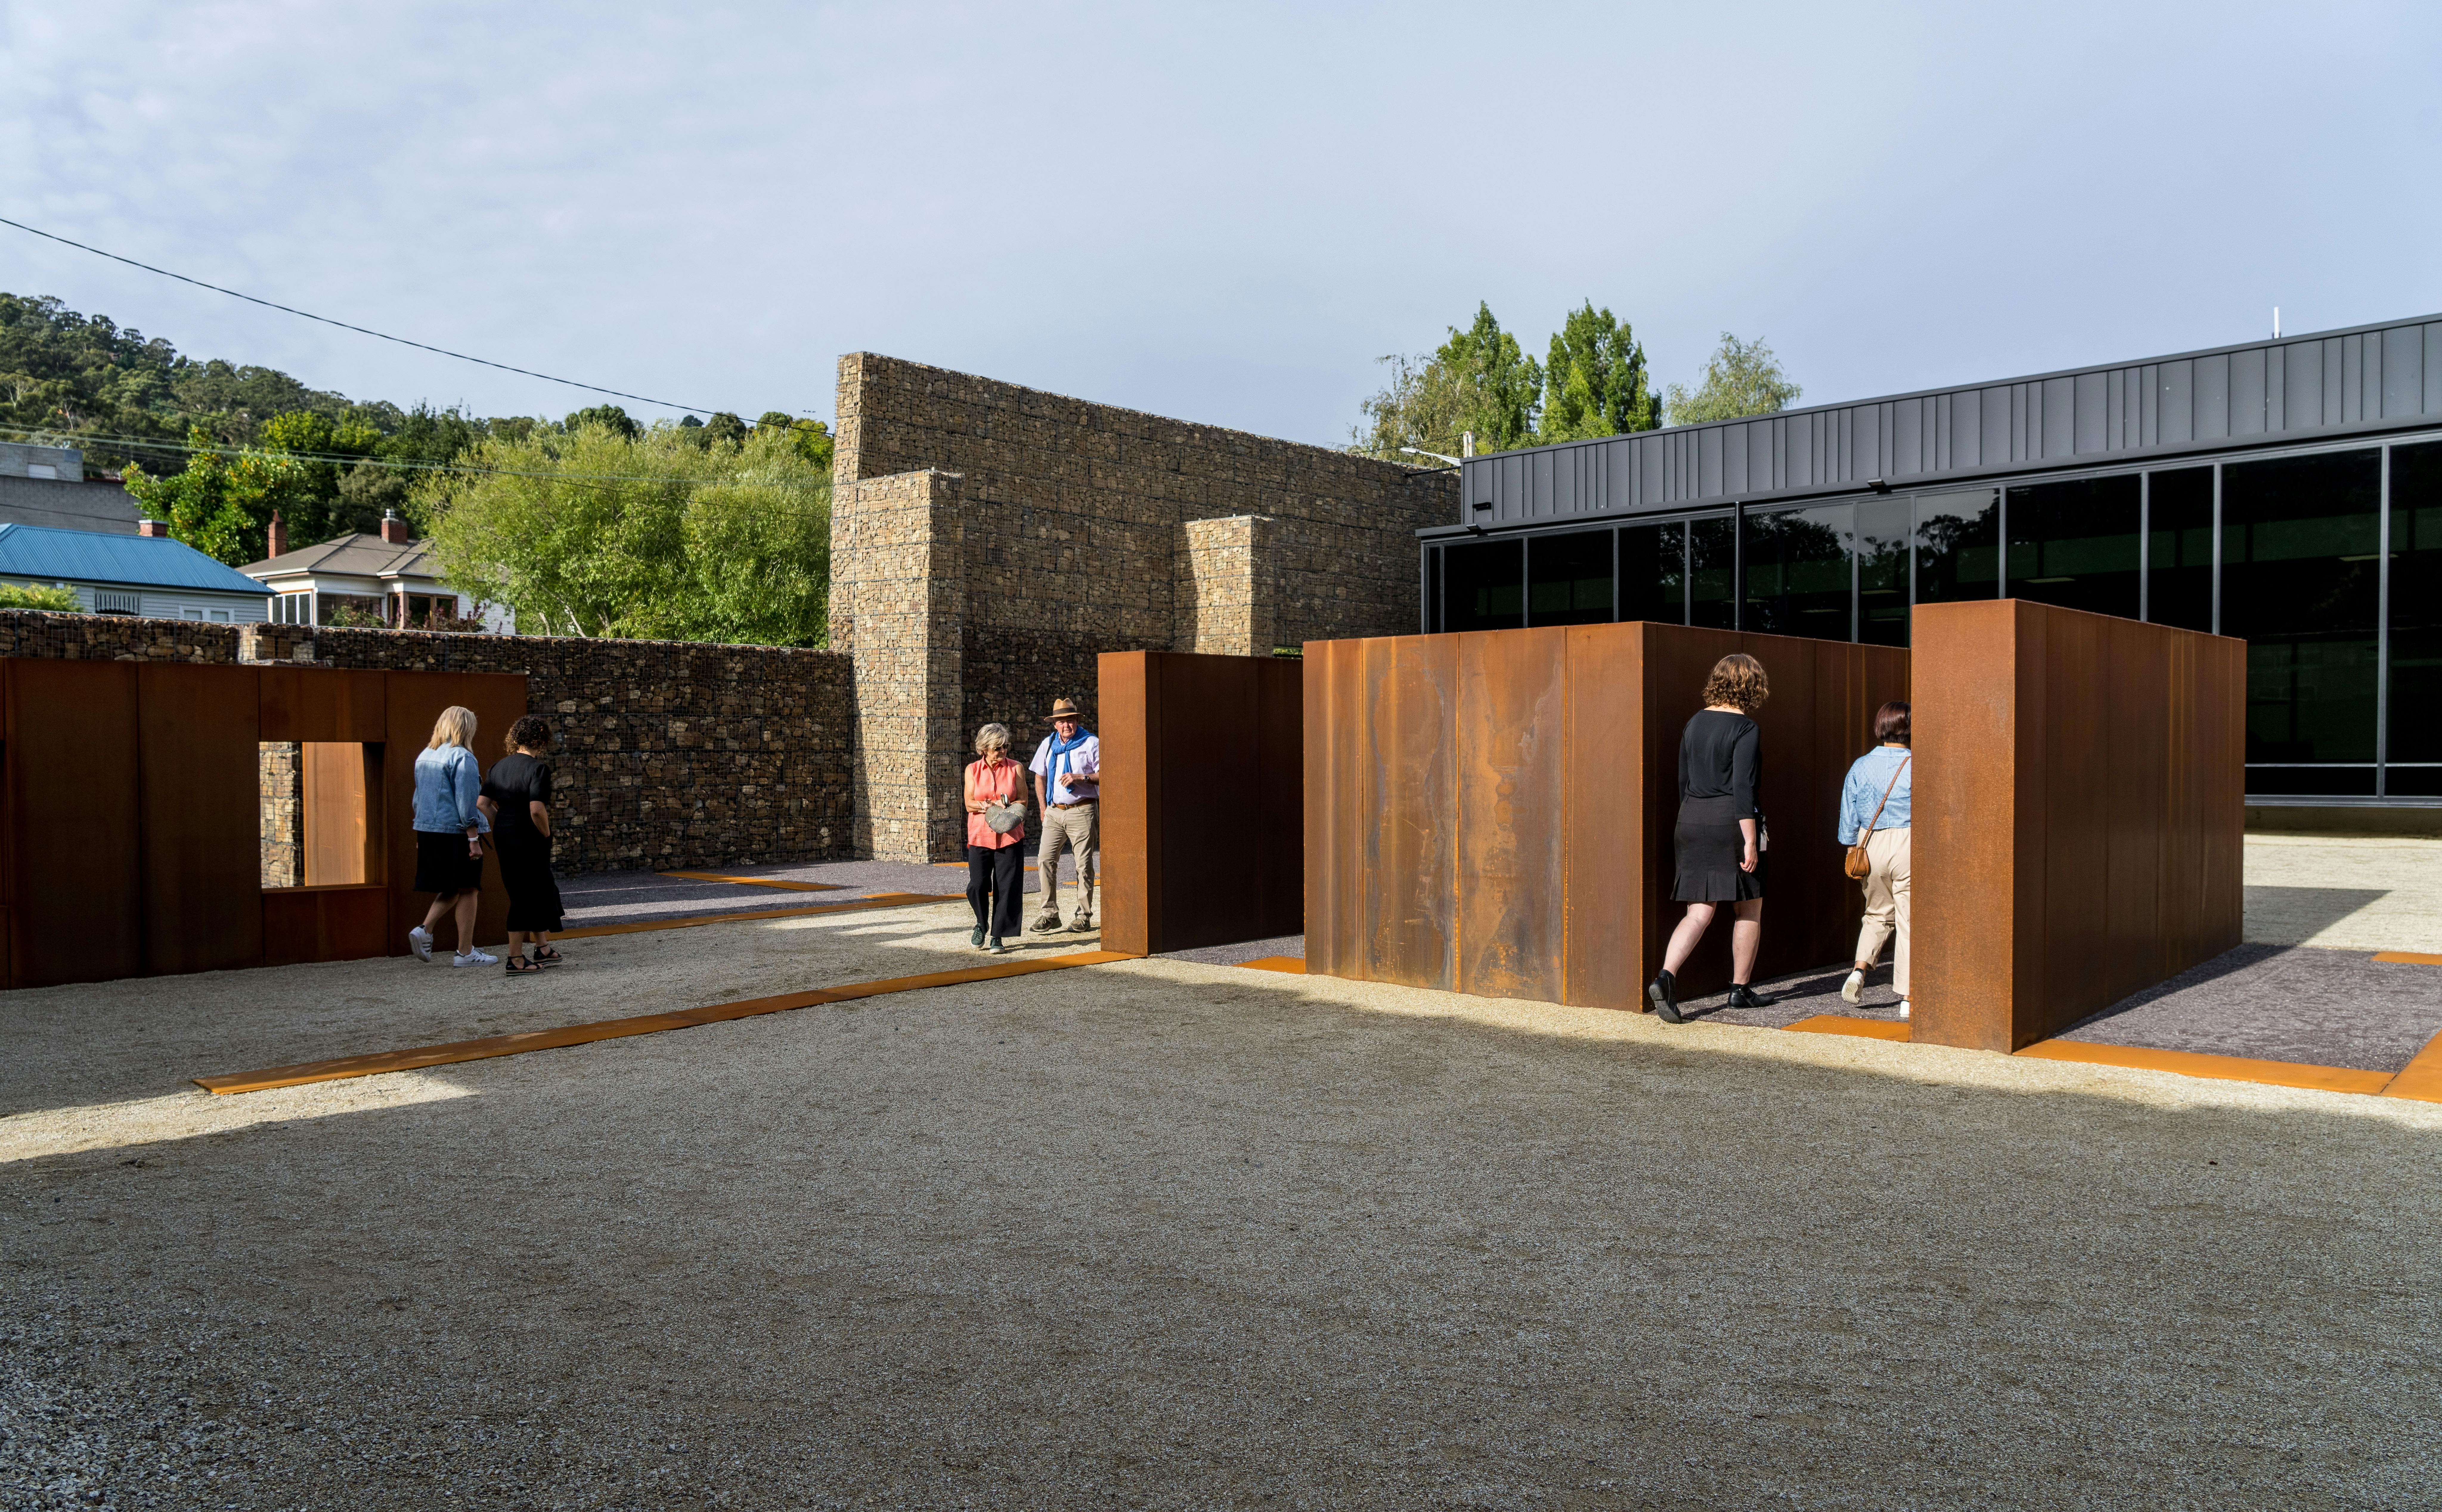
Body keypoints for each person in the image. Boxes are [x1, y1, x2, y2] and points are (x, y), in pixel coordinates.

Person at [1646, 654, 1770, 1023]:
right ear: (1752, 686)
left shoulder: (1694, 723)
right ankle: (1739, 990)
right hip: (1730, 822)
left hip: (1690, 819)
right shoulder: (1745, 728)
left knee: (1699, 911)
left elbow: (1684, 781)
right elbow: (1743, 787)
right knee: (1748, 905)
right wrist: (1750, 840)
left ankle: (1666, 977)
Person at [1838, 700, 1914, 1019]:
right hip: (1908, 841)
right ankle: (1908, 997)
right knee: (1909, 919)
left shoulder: (1860, 766)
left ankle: (1858, 972)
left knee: (1875, 913)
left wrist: (1849, 845)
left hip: (1868, 844)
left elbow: (1847, 819)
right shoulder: (1917, 764)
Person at [406, 705, 495, 967]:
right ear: (466, 728)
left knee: (453, 886)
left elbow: (418, 800)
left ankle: (425, 929)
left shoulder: (425, 755)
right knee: (469, 888)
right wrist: (473, 838)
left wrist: (421, 833)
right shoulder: (463, 757)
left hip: (429, 830)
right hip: (457, 833)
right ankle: (465, 953)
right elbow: (467, 801)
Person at [479, 714, 565, 976]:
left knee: (533, 888)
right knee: (524, 894)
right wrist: (547, 833)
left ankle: (542, 947)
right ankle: (515, 958)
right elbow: (537, 809)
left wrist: (502, 824)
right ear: (541, 740)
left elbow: (482, 804)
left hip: (506, 837)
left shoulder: (498, 767)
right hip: (529, 839)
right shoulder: (538, 769)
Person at [1025, 696, 1102, 934]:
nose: (1066, 725)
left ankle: (1083, 916)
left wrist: (1081, 777)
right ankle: (1050, 914)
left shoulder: (1091, 743)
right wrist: (1042, 807)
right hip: (1055, 812)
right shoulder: (1049, 744)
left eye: (1070, 720)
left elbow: (1108, 773)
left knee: (1083, 865)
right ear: (1055, 724)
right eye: (1061, 721)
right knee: (1045, 860)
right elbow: (1040, 775)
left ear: (1077, 721)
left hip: (1083, 809)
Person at [963, 722, 1028, 953]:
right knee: (978, 884)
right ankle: (981, 922)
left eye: (1005, 747)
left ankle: (998, 935)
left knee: (1007, 886)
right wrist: (985, 806)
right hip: (980, 835)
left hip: (1010, 836)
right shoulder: (972, 770)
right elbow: (969, 802)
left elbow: (1023, 801)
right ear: (985, 749)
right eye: (997, 748)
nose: (1003, 752)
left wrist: (1006, 804)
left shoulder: (1016, 768)